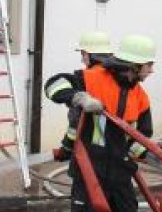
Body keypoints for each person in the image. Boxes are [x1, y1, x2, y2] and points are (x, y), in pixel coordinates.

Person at [45, 33, 162, 212]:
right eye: (149, 64)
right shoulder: (91, 78)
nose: (152, 70)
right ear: (134, 66)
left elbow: (138, 139)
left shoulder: (140, 96)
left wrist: (161, 161)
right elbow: (53, 85)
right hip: (90, 176)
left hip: (121, 177)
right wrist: (78, 97)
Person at [46, 31, 113, 162]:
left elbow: (52, 85)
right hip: (117, 157)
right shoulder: (125, 82)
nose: (82, 59)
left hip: (89, 157)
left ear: (90, 55)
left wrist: (66, 149)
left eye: (83, 54)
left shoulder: (84, 79)